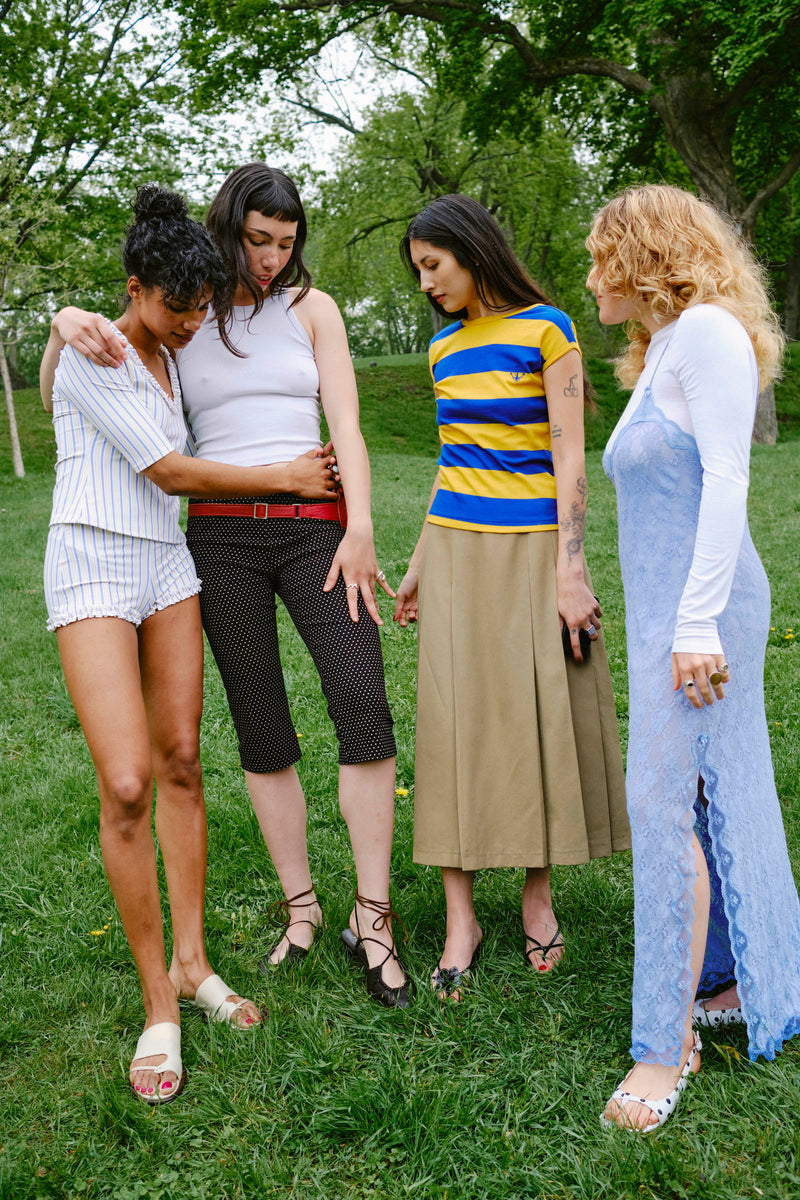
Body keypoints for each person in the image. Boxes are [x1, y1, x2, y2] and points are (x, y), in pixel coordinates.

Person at [48, 164, 412, 1008]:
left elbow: (347, 423)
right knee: (260, 724)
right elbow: (86, 370)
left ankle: (374, 915)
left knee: (362, 701)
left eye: (286, 243)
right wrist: (60, 321)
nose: (272, 259)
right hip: (219, 540)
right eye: (257, 240)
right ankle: (301, 908)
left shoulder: (310, 310)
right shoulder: (189, 313)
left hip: (316, 527)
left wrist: (360, 526)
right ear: (227, 229)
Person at [40, 185, 338, 1104]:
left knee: (180, 762)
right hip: (93, 564)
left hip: (167, 567)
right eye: (177, 307)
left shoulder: (175, 351)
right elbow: (169, 470)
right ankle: (157, 1003)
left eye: (202, 306)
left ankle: (194, 962)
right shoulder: (94, 349)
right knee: (127, 782)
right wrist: (284, 478)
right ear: (133, 288)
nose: (192, 322)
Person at [586, 183, 800, 1132]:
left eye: (602, 258)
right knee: (706, 798)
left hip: (701, 617)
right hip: (669, 618)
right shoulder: (665, 348)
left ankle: (663, 1046)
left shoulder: (709, 332)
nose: (592, 277)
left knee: (663, 805)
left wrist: (697, 626)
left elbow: (727, 479)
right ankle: (740, 982)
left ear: (646, 256)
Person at [394, 193, 630, 1000]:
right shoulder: (442, 348)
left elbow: (570, 461)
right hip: (456, 554)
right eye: (419, 271)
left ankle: (537, 896)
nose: (427, 283)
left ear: (471, 250)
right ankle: (460, 919)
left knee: (534, 716)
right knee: (454, 722)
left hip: (533, 553)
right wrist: (420, 562)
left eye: (433, 265)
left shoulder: (547, 330)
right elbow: (452, 462)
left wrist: (571, 569)